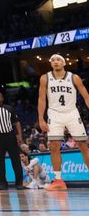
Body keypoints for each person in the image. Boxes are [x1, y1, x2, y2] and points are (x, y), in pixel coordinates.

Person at [37, 53, 89, 190]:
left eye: (58, 60)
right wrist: (41, 119)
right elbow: (42, 99)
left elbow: (86, 96)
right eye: (53, 60)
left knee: (83, 145)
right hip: (54, 114)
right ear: (50, 63)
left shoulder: (74, 77)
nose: (55, 62)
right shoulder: (45, 78)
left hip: (72, 112)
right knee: (54, 146)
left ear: (64, 63)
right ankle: (59, 181)